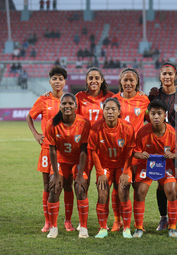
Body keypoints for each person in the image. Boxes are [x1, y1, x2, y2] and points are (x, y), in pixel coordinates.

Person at [26, 66, 75, 233]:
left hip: (66, 151)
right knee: (48, 186)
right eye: (54, 78)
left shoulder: (70, 100)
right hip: (47, 148)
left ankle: (67, 221)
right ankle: (48, 222)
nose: (57, 81)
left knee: (68, 185)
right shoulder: (43, 100)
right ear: (50, 81)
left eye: (60, 79)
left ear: (64, 82)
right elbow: (29, 116)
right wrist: (36, 134)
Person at [148, 62, 177, 231]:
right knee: (161, 183)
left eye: (170, 74)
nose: (167, 76)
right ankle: (163, 218)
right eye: (164, 74)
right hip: (160, 144)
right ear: (160, 76)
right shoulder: (154, 96)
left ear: (176, 76)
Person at [45, 93, 91, 238]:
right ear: (60, 106)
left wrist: (80, 175)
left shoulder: (84, 123)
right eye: (64, 104)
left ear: (76, 107)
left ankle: (83, 227)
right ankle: (53, 227)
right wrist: (56, 174)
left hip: (78, 161)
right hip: (60, 161)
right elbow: (52, 150)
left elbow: (84, 150)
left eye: (70, 103)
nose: (67, 106)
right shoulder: (52, 124)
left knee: (80, 188)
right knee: (54, 189)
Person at [88, 98, 135, 238]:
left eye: (113, 109)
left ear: (119, 111)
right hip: (105, 166)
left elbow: (130, 151)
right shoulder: (96, 128)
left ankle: (126, 228)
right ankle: (103, 228)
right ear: (103, 112)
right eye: (107, 109)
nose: (110, 112)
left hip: (122, 166)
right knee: (102, 194)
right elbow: (93, 151)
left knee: (123, 193)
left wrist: (126, 172)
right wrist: (100, 172)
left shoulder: (127, 127)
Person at [111, 68, 149, 231]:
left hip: (138, 151)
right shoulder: (114, 99)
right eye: (125, 80)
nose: (128, 83)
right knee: (119, 187)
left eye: (131, 80)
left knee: (138, 188)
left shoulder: (143, 100)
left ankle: (137, 222)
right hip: (119, 151)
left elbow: (151, 118)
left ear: (137, 82)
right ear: (120, 82)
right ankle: (117, 220)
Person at [133, 99, 177, 238]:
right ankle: (139, 228)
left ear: (165, 115)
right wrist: (140, 154)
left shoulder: (172, 132)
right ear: (149, 115)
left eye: (159, 113)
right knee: (140, 192)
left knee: (171, 191)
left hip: (166, 165)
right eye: (153, 113)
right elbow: (134, 151)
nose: (156, 116)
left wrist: (173, 154)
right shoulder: (143, 131)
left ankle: (172, 227)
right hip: (146, 165)